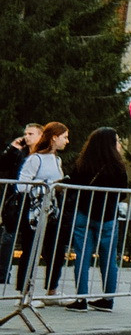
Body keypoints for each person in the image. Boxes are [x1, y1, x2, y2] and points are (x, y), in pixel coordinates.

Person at [66, 128, 131, 310]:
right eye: (117, 140)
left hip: (84, 214)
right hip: (107, 216)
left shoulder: (83, 163)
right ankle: (108, 299)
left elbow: (73, 186)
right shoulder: (118, 167)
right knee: (109, 259)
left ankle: (81, 299)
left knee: (82, 256)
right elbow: (123, 193)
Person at [21, 123, 70, 296]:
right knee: (31, 250)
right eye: (64, 137)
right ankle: (25, 292)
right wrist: (46, 187)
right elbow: (22, 186)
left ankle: (52, 289)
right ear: (54, 137)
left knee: (55, 249)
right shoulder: (36, 159)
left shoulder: (57, 159)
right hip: (35, 212)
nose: (67, 141)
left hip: (52, 211)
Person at [1, 123, 41, 291]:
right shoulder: (19, 153)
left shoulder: (41, 155)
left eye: (31, 133)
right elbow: (2, 165)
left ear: (40, 136)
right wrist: (12, 148)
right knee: (8, 237)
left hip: (32, 203)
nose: (27, 136)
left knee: (29, 241)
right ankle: (3, 274)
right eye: (25, 133)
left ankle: (23, 282)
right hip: (15, 201)